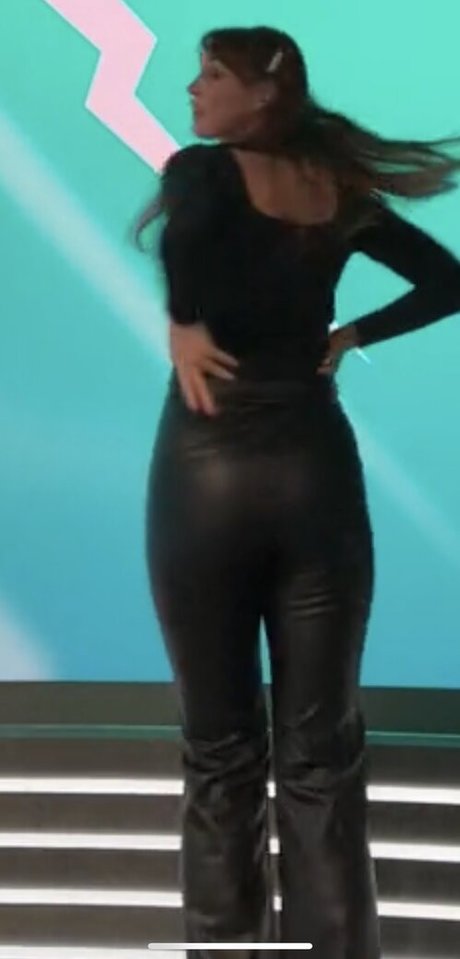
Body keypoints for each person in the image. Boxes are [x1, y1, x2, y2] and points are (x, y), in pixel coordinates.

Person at [134, 25, 460, 958]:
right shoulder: (339, 192)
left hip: (208, 476)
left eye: (213, 74)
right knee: (323, 760)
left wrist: (184, 321)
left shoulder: (199, 172)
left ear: (265, 94)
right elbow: (448, 281)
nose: (193, 88)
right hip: (317, 474)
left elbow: (188, 238)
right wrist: (352, 335)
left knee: (220, 754)